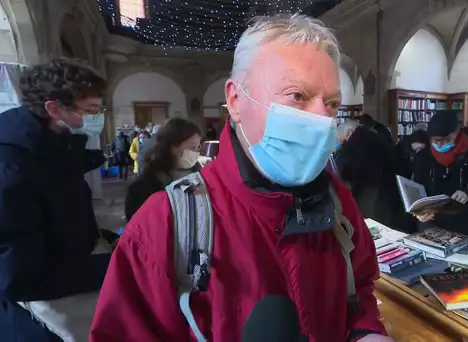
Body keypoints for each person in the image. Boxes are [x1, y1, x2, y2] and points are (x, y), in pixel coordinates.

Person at [91, 14, 390, 342]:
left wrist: (365, 332)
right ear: (235, 100)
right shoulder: (164, 223)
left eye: (331, 103)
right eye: (297, 95)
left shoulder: (338, 201)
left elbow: (359, 289)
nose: (322, 118)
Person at [0, 58, 112, 341]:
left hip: (73, 280)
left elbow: (65, 221)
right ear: (54, 108)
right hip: (38, 323)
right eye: (90, 110)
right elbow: (20, 277)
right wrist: (116, 263)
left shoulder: (54, 149)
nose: (97, 117)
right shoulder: (12, 167)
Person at [413, 111, 468, 247]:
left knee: (463, 266)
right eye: (435, 141)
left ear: (456, 132)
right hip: (431, 223)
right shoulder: (424, 156)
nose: (440, 145)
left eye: (446, 140)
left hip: (464, 224)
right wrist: (418, 212)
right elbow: (416, 187)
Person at [124, 118, 202, 221]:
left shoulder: (199, 179)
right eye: (192, 147)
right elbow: (137, 229)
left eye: (198, 147)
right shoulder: (141, 189)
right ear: (173, 145)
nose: (196, 153)